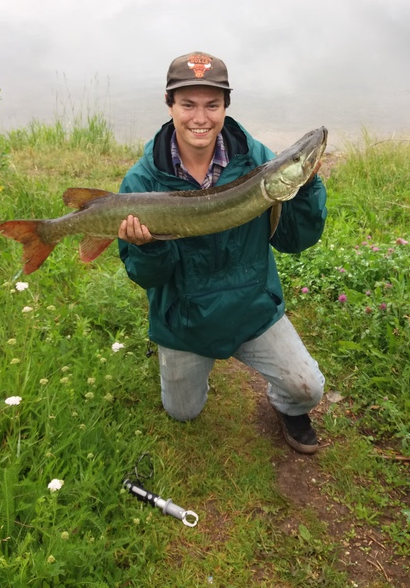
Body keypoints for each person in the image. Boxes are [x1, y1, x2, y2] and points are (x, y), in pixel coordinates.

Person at [118, 52, 327, 454]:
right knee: (182, 411)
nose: (200, 118)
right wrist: (148, 246)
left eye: (212, 105)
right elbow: (147, 277)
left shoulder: (257, 160)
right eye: (188, 104)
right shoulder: (142, 181)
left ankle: (286, 406)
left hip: (252, 307)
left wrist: (304, 188)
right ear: (169, 105)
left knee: (307, 388)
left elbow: (294, 240)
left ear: (225, 106)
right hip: (185, 319)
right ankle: (188, 365)